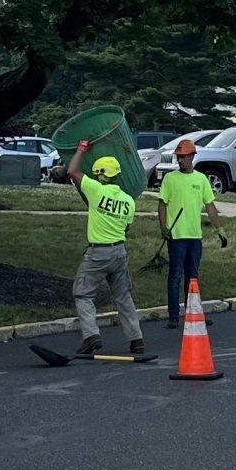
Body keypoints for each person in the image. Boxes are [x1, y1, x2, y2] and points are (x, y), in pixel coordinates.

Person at [65, 140, 153, 362]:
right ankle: (137, 339)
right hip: (120, 252)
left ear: (100, 174)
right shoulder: (128, 200)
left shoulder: (95, 190)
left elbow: (72, 171)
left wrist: (81, 151)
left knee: (83, 293)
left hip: (98, 253)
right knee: (123, 296)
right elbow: (127, 227)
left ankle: (91, 336)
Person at [156, 136, 220, 327]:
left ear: (192, 156)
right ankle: (174, 316)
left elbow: (210, 205)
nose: (180, 160)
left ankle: (194, 312)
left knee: (193, 276)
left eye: (184, 156)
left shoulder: (200, 179)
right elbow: (162, 204)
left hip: (194, 236)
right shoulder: (170, 178)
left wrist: (220, 229)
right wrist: (163, 227)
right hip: (176, 236)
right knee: (175, 275)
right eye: (179, 157)